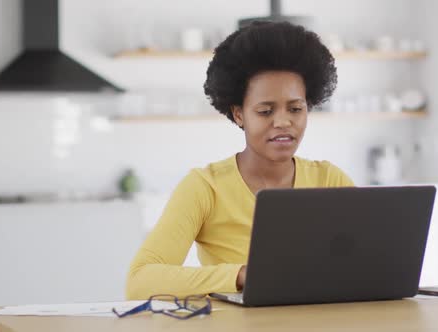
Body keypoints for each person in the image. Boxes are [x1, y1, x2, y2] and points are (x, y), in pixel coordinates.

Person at [125, 21, 354, 300]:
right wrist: (241, 275)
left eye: (295, 108)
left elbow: (367, 263)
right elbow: (140, 280)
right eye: (265, 111)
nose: (283, 122)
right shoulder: (205, 186)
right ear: (239, 114)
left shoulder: (329, 180)